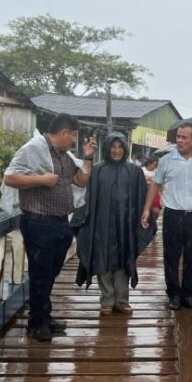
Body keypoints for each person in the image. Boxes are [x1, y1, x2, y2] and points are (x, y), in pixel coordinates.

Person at [3, 113, 96, 342]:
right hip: (38, 221)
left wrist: (88, 157)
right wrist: (41, 180)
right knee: (40, 273)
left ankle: (43, 316)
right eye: (73, 136)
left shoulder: (64, 156)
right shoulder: (33, 148)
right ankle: (38, 324)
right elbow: (10, 178)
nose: (74, 140)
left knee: (50, 273)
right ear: (63, 133)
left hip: (61, 222)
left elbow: (80, 181)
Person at [140, 124, 192, 310]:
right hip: (173, 215)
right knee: (171, 256)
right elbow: (155, 185)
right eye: (178, 137)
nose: (179, 140)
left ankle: (190, 294)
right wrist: (146, 209)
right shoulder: (166, 161)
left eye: (184, 137)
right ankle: (174, 295)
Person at [74, 132, 153, 316]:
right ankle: (107, 300)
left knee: (124, 260)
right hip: (102, 223)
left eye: (120, 147)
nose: (116, 151)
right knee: (103, 260)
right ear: (107, 149)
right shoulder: (98, 170)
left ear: (125, 149)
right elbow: (86, 196)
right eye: (113, 147)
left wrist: (145, 214)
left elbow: (141, 197)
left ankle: (122, 301)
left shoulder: (134, 171)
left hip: (126, 224)